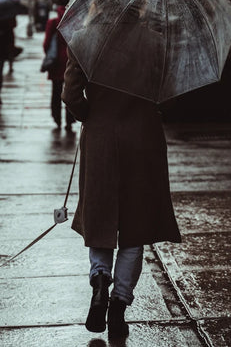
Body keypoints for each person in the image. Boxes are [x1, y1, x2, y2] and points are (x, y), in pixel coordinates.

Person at [62, 54, 182, 338]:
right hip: (143, 138)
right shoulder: (153, 41)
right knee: (134, 228)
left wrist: (90, 114)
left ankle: (101, 279)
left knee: (101, 217)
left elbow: (70, 94)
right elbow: (170, 96)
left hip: (101, 135)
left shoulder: (87, 39)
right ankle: (118, 305)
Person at [43, 0, 75, 131]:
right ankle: (69, 120)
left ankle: (57, 119)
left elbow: (46, 44)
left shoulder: (53, 22)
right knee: (71, 91)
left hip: (56, 63)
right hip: (71, 61)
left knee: (56, 93)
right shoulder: (75, 21)